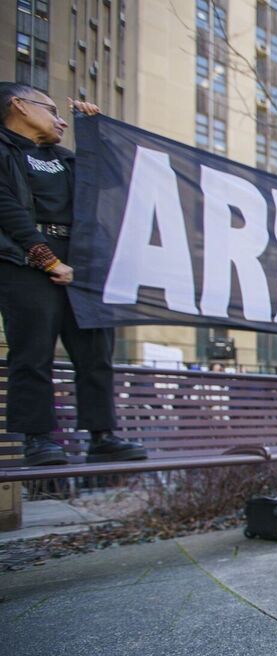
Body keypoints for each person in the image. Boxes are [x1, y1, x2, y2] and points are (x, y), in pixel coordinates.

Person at [0, 83, 145, 466]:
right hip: (25, 262)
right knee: (32, 352)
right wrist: (47, 259)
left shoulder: (64, 158)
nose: (60, 119)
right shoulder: (5, 151)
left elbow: (114, 182)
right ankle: (39, 439)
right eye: (52, 110)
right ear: (19, 106)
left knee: (96, 352)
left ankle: (102, 435)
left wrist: (96, 131)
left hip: (79, 261)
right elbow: (7, 209)